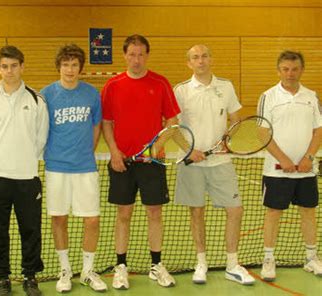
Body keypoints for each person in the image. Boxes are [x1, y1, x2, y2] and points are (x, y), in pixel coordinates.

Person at [101, 34, 180, 289]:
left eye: (141, 54)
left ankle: (156, 265)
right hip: (122, 162)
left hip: (151, 163)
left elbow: (172, 121)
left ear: (147, 55)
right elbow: (107, 123)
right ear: (125, 55)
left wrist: (157, 147)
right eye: (132, 54)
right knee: (123, 214)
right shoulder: (113, 85)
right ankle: (120, 267)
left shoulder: (160, 83)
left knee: (154, 213)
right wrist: (114, 152)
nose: (136, 59)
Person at [173, 44, 255, 285]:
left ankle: (232, 264)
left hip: (221, 161)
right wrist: (190, 150)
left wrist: (227, 140)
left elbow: (236, 118)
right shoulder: (181, 90)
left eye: (205, 56)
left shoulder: (226, 87)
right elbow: (172, 126)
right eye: (195, 58)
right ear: (189, 63)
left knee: (235, 210)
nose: (201, 61)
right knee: (196, 212)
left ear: (211, 59)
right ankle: (201, 262)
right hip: (191, 163)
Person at [0, 45, 49, 296]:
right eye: (4, 66)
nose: (9, 71)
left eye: (14, 66)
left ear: (22, 66)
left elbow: (41, 138)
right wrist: (1, 158)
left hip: (27, 178)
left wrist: (25, 160)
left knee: (30, 229)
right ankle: (2, 278)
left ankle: (30, 276)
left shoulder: (36, 99)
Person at [40, 44, 106, 293]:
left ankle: (87, 271)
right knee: (59, 218)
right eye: (65, 64)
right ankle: (65, 269)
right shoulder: (46, 94)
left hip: (85, 167)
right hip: (56, 166)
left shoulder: (91, 94)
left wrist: (86, 151)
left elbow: (96, 126)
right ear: (59, 66)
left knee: (91, 219)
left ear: (81, 67)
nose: (70, 69)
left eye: (74, 64)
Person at [257, 50, 322, 281]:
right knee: (274, 213)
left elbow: (318, 130)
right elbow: (262, 132)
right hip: (276, 170)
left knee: (308, 212)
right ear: (278, 70)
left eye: (295, 69)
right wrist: (283, 158)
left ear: (301, 70)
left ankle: (311, 258)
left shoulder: (312, 96)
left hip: (306, 170)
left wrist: (309, 158)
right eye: (285, 69)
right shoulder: (268, 96)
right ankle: (268, 259)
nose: (290, 73)